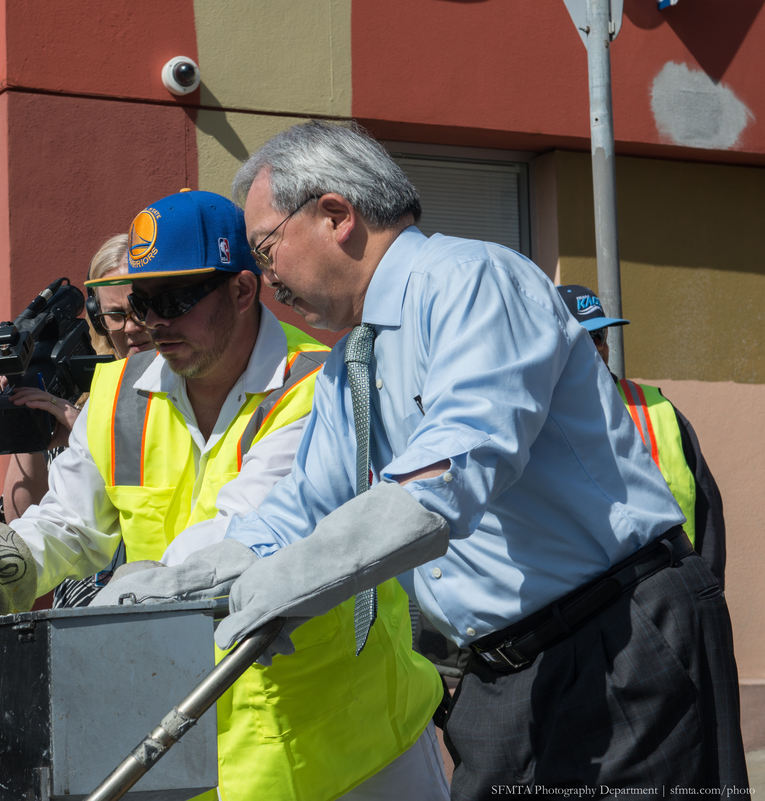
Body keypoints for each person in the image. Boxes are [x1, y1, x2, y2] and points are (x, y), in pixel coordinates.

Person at [102, 121, 744, 794]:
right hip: (502, 669)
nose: (267, 279)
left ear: (335, 216)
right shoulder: (350, 360)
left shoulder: (470, 282)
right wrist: (183, 583)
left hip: (614, 642)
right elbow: (298, 510)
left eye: (268, 248)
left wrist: (282, 582)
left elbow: (450, 475)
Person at [0, 191, 448, 800]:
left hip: (353, 741)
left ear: (243, 290)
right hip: (192, 738)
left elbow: (240, 533)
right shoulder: (116, 392)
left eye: (172, 300)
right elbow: (69, 522)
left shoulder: (314, 384)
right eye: (138, 301)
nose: (150, 324)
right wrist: (0, 563)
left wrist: (110, 606)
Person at [1, 233, 153, 608]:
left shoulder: (185, 384)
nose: (131, 328)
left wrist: (84, 425)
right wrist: (27, 427)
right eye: (115, 315)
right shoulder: (77, 389)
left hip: (149, 593)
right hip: (79, 604)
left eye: (141, 310)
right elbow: (21, 515)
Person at [557, 284, 726, 586]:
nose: (596, 348)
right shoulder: (536, 418)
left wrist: (708, 587)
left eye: (600, 336)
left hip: (671, 589)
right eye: (584, 338)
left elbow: (705, 507)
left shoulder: (656, 407)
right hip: (584, 603)